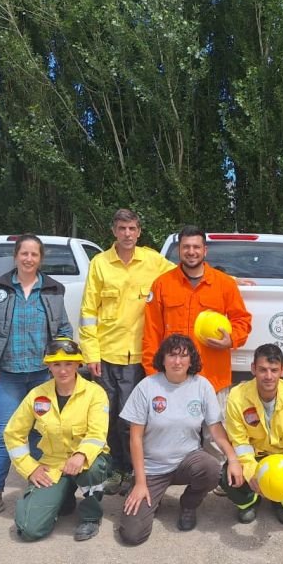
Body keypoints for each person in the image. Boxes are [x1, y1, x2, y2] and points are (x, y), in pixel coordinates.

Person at [0, 233, 74, 525]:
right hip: (10, 377)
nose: (29, 259)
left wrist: (59, 366)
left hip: (41, 377)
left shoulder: (52, 290)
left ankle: (39, 485)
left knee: (41, 433)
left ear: (41, 259)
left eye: (34, 255)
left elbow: (63, 329)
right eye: (24, 253)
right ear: (15, 256)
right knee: (6, 434)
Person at [80, 208, 176, 497]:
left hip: (139, 358)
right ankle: (117, 469)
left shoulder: (153, 260)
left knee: (134, 418)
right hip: (106, 356)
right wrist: (91, 354)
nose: (127, 234)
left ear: (139, 231)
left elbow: (185, 275)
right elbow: (88, 312)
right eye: (122, 228)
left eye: (132, 228)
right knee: (107, 416)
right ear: (113, 231)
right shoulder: (99, 264)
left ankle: (137, 469)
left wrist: (231, 280)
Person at [118, 334, 243, 545]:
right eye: (172, 355)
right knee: (132, 535)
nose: (178, 361)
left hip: (187, 462)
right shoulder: (147, 387)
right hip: (152, 469)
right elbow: (135, 438)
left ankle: (189, 504)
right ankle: (147, 494)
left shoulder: (202, 386)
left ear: (191, 360)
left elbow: (216, 429)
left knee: (211, 468)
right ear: (163, 359)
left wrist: (233, 459)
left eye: (184, 356)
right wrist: (140, 482)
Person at [4, 339, 111, 541]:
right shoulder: (37, 395)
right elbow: (13, 433)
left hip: (86, 461)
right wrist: (30, 468)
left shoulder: (94, 393)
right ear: (49, 366)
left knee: (93, 469)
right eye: (57, 365)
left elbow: (97, 434)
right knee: (29, 529)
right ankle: (63, 498)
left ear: (78, 364)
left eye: (68, 364)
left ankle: (90, 517)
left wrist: (81, 454)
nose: (63, 370)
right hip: (53, 464)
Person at [142, 225, 252, 402]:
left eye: (196, 247)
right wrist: (153, 375)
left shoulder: (224, 284)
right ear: (179, 250)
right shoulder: (162, 285)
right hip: (172, 381)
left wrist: (231, 339)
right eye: (186, 247)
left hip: (213, 380)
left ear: (205, 250)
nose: (191, 251)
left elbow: (242, 320)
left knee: (215, 430)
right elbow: (151, 333)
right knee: (175, 430)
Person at [221, 344, 283, 525]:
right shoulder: (237, 396)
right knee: (228, 476)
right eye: (263, 370)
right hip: (256, 457)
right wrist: (251, 473)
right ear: (253, 369)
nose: (268, 376)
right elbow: (239, 442)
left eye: (274, 370)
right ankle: (249, 502)